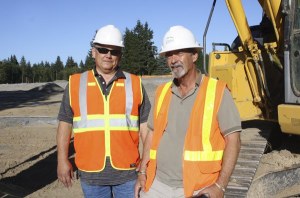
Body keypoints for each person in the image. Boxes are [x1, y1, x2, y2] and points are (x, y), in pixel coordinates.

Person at [135, 25, 241, 198]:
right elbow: (151, 135)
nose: (173, 59)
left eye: (180, 52)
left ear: (194, 55)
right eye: (169, 54)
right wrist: (142, 173)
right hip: (157, 184)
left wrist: (220, 186)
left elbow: (234, 140)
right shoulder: (162, 92)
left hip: (198, 188)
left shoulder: (218, 91)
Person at [56, 24, 151, 198]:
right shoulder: (76, 83)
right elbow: (65, 123)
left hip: (128, 173)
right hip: (91, 174)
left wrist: (145, 165)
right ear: (94, 52)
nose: (108, 55)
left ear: (120, 55)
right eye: (103, 50)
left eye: (114, 51)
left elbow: (146, 127)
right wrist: (62, 160)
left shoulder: (135, 83)